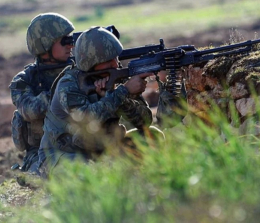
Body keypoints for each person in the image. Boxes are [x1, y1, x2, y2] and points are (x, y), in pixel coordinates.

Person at [38, 26, 164, 176]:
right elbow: (86, 119)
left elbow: (144, 121)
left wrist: (121, 96)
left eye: (116, 57)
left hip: (101, 149)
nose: (115, 64)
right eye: (108, 61)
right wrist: (122, 92)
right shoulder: (69, 85)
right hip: (63, 154)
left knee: (152, 136)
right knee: (88, 176)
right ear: (91, 64)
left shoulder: (115, 76)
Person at [9, 12, 75, 173]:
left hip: (82, 144)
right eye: (65, 41)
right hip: (42, 153)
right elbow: (29, 110)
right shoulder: (25, 80)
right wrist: (63, 92)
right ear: (45, 45)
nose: (71, 45)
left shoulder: (79, 70)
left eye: (71, 40)